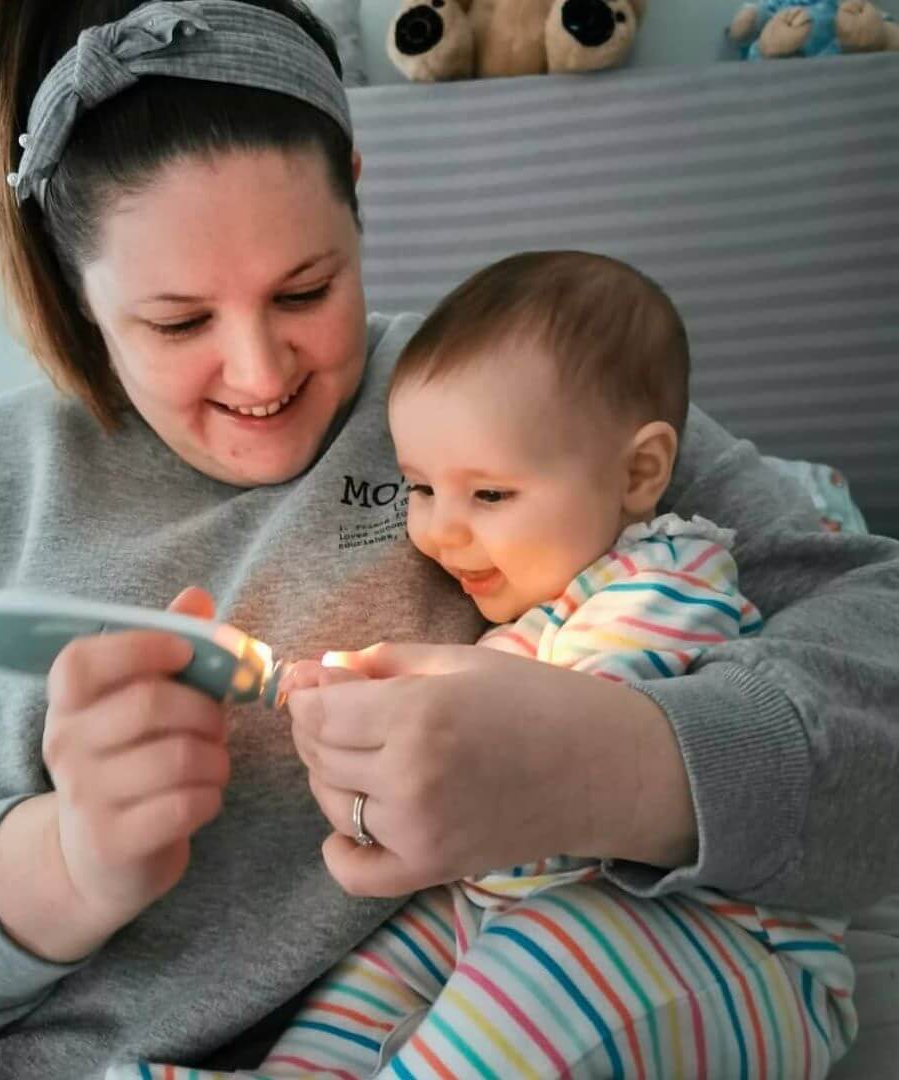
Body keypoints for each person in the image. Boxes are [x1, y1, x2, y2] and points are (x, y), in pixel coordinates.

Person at [0, 1, 896, 1078]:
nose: (261, 374)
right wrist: (57, 867)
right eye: (179, 323)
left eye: (307, 289)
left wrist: (611, 763)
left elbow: (873, 659)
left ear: (358, 198)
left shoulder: (519, 387)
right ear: (74, 286)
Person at [117, 251, 857, 1079]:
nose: (442, 533)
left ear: (639, 471)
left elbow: (546, 790)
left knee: (555, 954)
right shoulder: (540, 605)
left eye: (489, 496)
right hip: (495, 911)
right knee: (382, 962)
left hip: (719, 946)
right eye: (421, 490)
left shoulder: (671, 579)